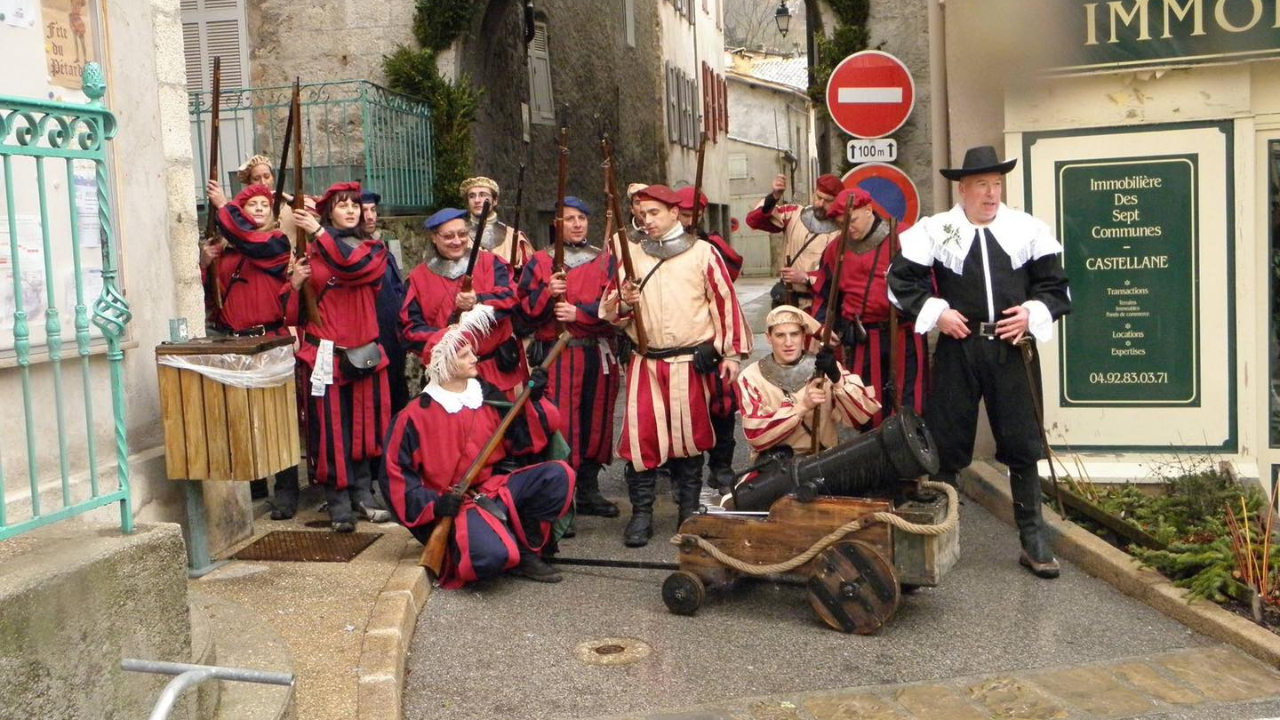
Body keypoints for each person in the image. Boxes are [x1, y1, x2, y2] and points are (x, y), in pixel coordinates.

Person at [887, 145, 1072, 579]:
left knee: (1023, 442)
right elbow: (899, 284)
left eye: (996, 185)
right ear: (963, 188)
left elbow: (1057, 288)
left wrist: (1030, 313)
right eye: (982, 186)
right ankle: (943, 537)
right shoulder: (938, 230)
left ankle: (1033, 538)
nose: (991, 194)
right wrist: (937, 312)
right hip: (960, 345)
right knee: (947, 441)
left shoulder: (1026, 230)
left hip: (1012, 348)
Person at [600, 184, 752, 547]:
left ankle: (687, 513)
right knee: (642, 441)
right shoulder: (632, 255)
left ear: (673, 212)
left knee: (689, 439)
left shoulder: (703, 254)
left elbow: (725, 304)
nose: (646, 220)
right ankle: (641, 515)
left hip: (688, 365)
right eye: (642, 213)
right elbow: (609, 312)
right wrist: (624, 299)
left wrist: (729, 354)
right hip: (645, 364)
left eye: (654, 213)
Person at [379, 307, 575, 587]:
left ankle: (524, 549)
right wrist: (436, 505)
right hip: (453, 507)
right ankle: (486, 545)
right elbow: (395, 479)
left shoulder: (486, 396)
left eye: (473, 351)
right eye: (465, 355)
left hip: (494, 490)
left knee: (558, 476)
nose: (475, 358)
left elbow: (526, 439)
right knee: (494, 558)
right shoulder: (412, 417)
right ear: (445, 365)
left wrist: (535, 396)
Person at [284, 181, 393, 531]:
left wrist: (318, 232)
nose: (351, 211)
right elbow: (290, 314)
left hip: (363, 352)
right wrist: (295, 285)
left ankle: (363, 493)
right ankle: (337, 500)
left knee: (364, 427)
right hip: (324, 353)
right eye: (342, 205)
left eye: (355, 206)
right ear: (329, 211)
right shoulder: (309, 254)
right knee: (331, 430)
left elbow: (352, 268)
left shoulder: (374, 250)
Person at [202, 180, 304, 519]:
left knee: (279, 418)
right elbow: (210, 297)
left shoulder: (274, 243)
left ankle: (287, 490)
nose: (259, 209)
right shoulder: (228, 251)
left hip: (270, 341)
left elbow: (248, 240)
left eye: (264, 205)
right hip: (236, 343)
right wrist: (205, 263)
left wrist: (223, 205)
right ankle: (256, 481)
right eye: (252, 205)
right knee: (245, 417)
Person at [517, 196, 621, 518]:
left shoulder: (604, 261)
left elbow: (617, 305)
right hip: (559, 357)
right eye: (569, 219)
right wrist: (546, 295)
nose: (577, 224)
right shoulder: (538, 262)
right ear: (556, 224)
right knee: (562, 424)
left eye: (581, 218)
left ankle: (589, 490)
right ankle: (563, 499)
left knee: (596, 422)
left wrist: (580, 312)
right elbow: (522, 314)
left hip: (597, 355)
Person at [812, 187, 928, 427]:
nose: (848, 228)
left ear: (868, 210)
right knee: (865, 404)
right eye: (842, 223)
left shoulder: (904, 237)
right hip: (863, 338)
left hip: (903, 334)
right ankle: (873, 460)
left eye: (852, 220)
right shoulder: (836, 249)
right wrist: (823, 325)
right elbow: (824, 293)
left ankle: (907, 458)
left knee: (907, 404)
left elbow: (928, 284)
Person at [401, 208, 528, 393]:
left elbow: (513, 297)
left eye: (462, 234)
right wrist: (447, 338)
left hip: (494, 373)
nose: (457, 241)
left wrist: (479, 300)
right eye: (448, 236)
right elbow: (410, 330)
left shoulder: (491, 262)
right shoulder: (416, 278)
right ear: (434, 237)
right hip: (447, 376)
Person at [737, 305, 879, 461]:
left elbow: (862, 416)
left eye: (794, 334)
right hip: (776, 468)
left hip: (823, 460)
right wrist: (802, 407)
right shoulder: (750, 376)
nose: (788, 342)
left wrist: (837, 378)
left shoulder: (825, 367)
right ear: (768, 337)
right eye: (780, 335)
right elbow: (756, 436)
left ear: (803, 336)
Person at [675, 186, 743, 491]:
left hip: (711, 339)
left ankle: (721, 466)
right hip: (676, 339)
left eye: (692, 214)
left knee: (722, 405)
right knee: (680, 409)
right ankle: (681, 477)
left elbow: (727, 285)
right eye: (682, 213)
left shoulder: (711, 246)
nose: (687, 219)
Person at [745, 173, 844, 313]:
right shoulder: (793, 213)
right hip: (789, 299)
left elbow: (841, 273)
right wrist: (774, 197)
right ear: (813, 193)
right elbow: (753, 221)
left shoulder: (843, 230)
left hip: (821, 304)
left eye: (828, 200)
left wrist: (806, 278)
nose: (821, 204)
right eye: (819, 197)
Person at [362, 190, 410, 413]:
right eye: (364, 211)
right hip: (370, 336)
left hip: (393, 336)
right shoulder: (348, 252)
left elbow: (398, 284)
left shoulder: (386, 246)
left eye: (373, 210)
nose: (370, 216)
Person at [460, 176, 534, 272]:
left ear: (495, 201)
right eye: (472, 196)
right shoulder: (458, 236)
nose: (477, 200)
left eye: (483, 195)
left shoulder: (514, 236)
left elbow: (532, 276)